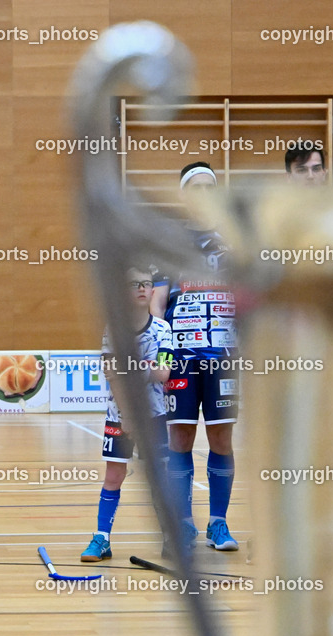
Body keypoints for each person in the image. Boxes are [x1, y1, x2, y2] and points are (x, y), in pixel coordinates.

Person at [151, 162, 240, 553]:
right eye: (196, 188)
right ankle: (183, 524)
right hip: (182, 357)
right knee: (180, 437)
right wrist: (159, 351)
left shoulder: (236, 237)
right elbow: (156, 304)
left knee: (221, 437)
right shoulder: (169, 241)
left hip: (223, 356)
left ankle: (218, 523)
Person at [80, 267, 173, 562]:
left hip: (155, 415)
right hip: (119, 415)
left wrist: (129, 370)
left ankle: (170, 538)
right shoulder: (114, 329)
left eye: (147, 284)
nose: (143, 289)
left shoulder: (163, 329)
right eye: (135, 284)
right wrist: (127, 414)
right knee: (113, 475)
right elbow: (112, 373)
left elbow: (163, 372)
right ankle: (101, 539)